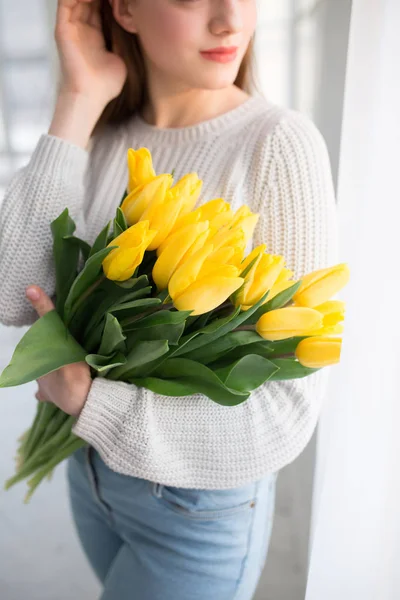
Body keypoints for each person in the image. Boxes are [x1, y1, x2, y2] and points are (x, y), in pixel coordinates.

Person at [0, 0, 339, 598]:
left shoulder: (279, 144)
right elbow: (11, 294)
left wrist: (91, 400)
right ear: (125, 10)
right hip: (89, 474)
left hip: (197, 507)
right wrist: (78, 102)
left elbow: (287, 408)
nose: (230, 20)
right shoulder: (104, 137)